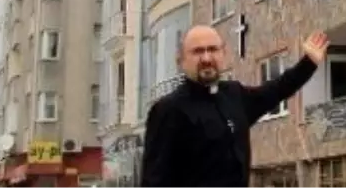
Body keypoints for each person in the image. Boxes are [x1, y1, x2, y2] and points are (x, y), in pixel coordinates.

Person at [141, 25, 329, 188]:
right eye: (197, 51)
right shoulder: (168, 110)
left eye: (212, 49)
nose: (206, 58)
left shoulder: (233, 95)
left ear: (223, 53)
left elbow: (276, 90)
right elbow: (154, 182)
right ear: (181, 61)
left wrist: (309, 63)